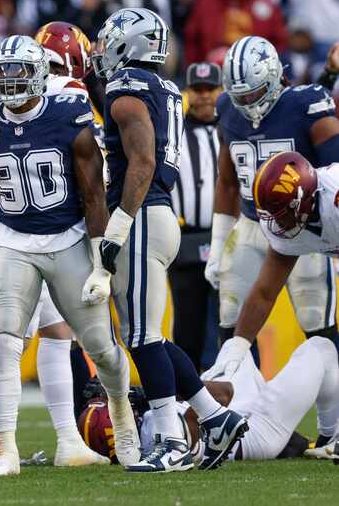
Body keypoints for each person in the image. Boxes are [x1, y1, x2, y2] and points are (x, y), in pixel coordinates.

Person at [92, 7, 247, 472]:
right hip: (161, 216)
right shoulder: (165, 88)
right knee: (152, 335)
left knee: (140, 337)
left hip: (139, 215)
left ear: (129, 44)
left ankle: (171, 438)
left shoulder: (128, 88)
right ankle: (215, 417)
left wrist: (118, 225)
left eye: (111, 40)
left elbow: (140, 163)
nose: (104, 50)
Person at [0, 35, 137, 477]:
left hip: (66, 240)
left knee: (102, 348)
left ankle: (121, 413)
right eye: (2, 72)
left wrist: (101, 262)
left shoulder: (67, 114)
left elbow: (91, 193)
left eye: (18, 72)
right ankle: (6, 449)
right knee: (5, 342)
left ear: (42, 75)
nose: (8, 82)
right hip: (12, 240)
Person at [204, 37, 339, 373]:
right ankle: (245, 410)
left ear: (274, 76)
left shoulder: (305, 105)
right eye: (240, 96)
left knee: (315, 316)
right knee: (232, 317)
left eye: (253, 92)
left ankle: (333, 414)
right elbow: (228, 181)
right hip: (252, 225)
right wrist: (219, 243)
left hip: (306, 225)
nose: (248, 103)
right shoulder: (226, 109)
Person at [206, 153, 339, 452]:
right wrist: (237, 346)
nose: (277, 222)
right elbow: (266, 291)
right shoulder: (287, 217)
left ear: (306, 199)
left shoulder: (335, 202)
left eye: (282, 213)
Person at [142, 336, 339, 462]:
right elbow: (222, 393)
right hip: (251, 436)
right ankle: (328, 436)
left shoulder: (143, 426)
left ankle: (294, 439)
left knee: (236, 346)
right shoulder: (156, 431)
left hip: (232, 409)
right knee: (320, 347)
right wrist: (161, 390)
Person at [169, 62, 222, 371]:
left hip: (227, 239)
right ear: (187, 92)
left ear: (221, 91)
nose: (203, 97)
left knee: (230, 323)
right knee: (187, 327)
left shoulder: (233, 127)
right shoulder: (173, 130)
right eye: (197, 90)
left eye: (210, 90)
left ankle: (237, 394)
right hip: (185, 238)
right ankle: (186, 402)